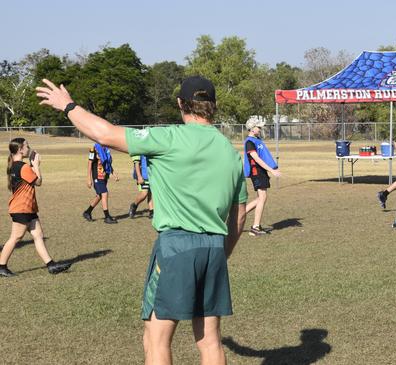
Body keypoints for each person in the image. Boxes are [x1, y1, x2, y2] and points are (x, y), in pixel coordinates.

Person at [37, 76, 247, 365]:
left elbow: (105, 134)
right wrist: (221, 253)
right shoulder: (229, 152)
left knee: (155, 338)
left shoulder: (169, 137)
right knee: (210, 341)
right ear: (212, 106)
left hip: (176, 247)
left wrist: (68, 106)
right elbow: (240, 214)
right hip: (213, 248)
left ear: (180, 104)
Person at [0, 138, 71, 277]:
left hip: (27, 207)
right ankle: (1, 266)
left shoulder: (15, 166)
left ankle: (51, 265)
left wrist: (32, 165)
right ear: (20, 149)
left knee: (38, 235)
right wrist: (37, 165)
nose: (29, 148)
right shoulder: (23, 167)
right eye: (27, 146)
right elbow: (38, 181)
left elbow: (28, 178)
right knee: (16, 237)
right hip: (22, 207)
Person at [243, 118, 281, 236]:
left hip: (262, 172)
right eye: (258, 127)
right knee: (262, 197)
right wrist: (272, 170)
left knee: (261, 198)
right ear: (252, 128)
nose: (260, 129)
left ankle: (239, 215)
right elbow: (257, 159)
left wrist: (270, 169)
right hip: (256, 172)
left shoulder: (257, 140)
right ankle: (255, 227)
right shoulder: (250, 142)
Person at [82, 143, 119, 224]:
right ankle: (107, 217)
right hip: (97, 176)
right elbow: (89, 163)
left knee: (99, 196)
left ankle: (87, 212)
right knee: (104, 193)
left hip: (104, 176)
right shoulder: (94, 149)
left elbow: (108, 163)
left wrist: (113, 173)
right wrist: (89, 178)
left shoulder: (106, 149)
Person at [128, 155, 154, 219]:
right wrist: (139, 176)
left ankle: (151, 211)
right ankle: (134, 205)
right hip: (144, 175)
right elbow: (136, 163)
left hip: (152, 174)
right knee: (144, 193)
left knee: (150, 193)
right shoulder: (140, 149)